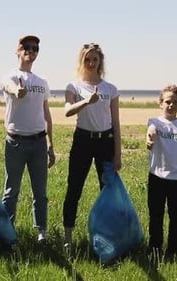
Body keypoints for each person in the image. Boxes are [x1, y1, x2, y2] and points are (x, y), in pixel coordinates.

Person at [62, 43, 122, 248]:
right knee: (74, 188)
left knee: (107, 190)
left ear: (100, 62)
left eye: (94, 59)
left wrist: (117, 154)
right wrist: (87, 101)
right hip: (83, 141)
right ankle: (68, 237)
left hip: (105, 141)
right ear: (81, 61)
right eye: (87, 59)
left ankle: (108, 236)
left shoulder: (110, 89)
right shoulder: (74, 87)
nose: (91, 63)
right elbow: (68, 111)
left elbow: (116, 123)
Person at [0, 35, 56, 243]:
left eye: (35, 49)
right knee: (11, 190)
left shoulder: (42, 82)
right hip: (15, 142)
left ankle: (41, 231)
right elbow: (7, 86)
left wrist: (51, 144)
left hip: (39, 142)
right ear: (18, 50)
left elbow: (46, 114)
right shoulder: (11, 76)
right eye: (26, 47)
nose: (30, 51)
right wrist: (17, 91)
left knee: (40, 191)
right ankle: (7, 231)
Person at [145, 84, 177, 258]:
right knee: (156, 215)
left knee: (176, 219)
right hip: (157, 177)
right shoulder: (154, 122)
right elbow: (150, 132)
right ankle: (154, 249)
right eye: (167, 101)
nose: (171, 105)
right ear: (160, 103)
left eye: (175, 102)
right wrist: (150, 140)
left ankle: (173, 251)